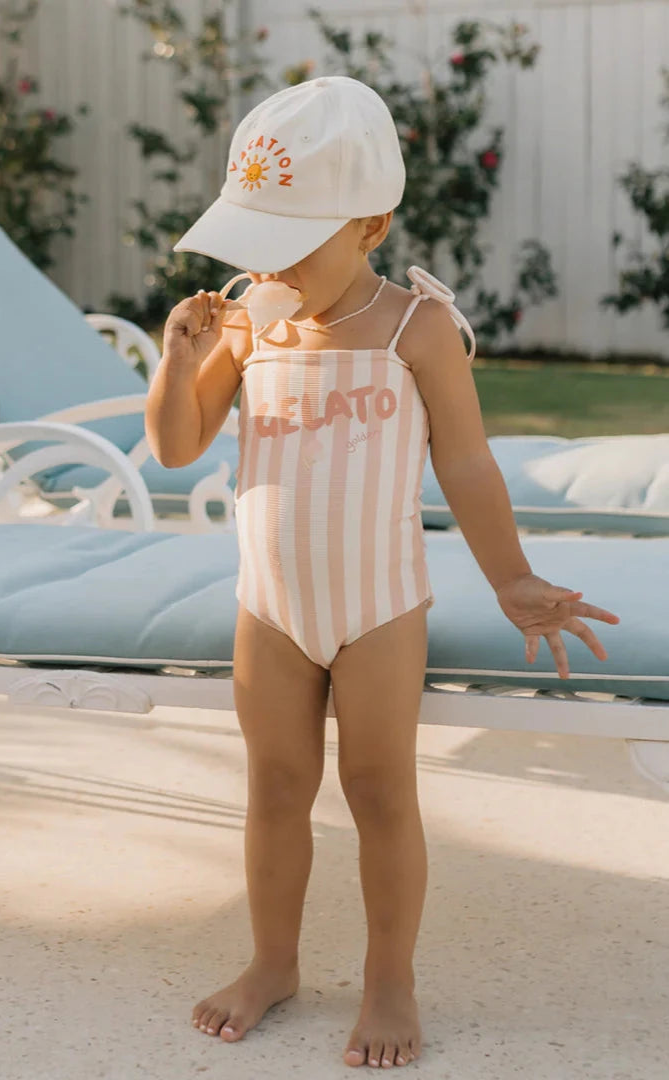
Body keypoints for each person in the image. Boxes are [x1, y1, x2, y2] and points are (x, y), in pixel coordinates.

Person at [145, 75, 620, 1070]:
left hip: (376, 610)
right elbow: (179, 447)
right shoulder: (247, 323)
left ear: (369, 223)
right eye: (253, 240)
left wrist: (511, 578)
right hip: (268, 611)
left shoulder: (415, 329)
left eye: (289, 239)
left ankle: (388, 980)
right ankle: (272, 961)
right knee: (273, 788)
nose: (264, 264)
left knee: (376, 792)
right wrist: (175, 361)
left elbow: (465, 462)